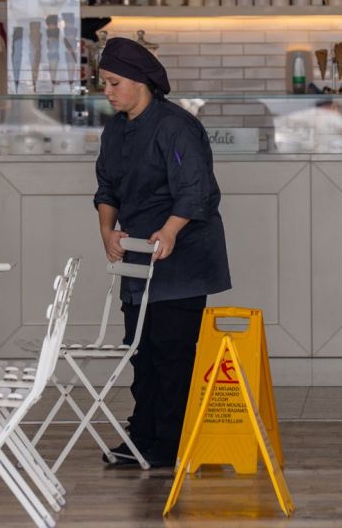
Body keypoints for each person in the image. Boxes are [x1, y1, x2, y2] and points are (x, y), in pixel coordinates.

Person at [93, 37, 232, 468]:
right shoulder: (115, 129)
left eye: (114, 83)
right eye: (104, 83)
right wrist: (107, 231)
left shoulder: (176, 126)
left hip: (182, 259)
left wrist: (170, 230)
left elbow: (196, 189)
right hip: (138, 257)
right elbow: (107, 187)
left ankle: (170, 442)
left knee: (172, 352)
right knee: (141, 351)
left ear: (140, 81)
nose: (107, 91)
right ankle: (143, 435)